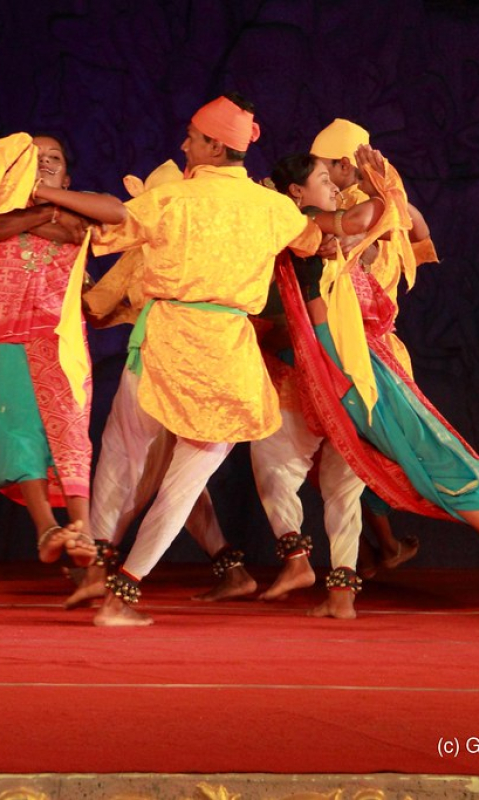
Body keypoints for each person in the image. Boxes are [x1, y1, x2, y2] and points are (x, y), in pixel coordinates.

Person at [88, 93, 322, 626]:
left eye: (193, 136)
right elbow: (314, 240)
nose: (184, 143)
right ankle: (120, 596)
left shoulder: (173, 198)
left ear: (216, 146)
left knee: (123, 457)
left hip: (165, 342)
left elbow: (109, 226)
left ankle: (96, 567)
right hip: (225, 355)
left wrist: (50, 199)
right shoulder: (274, 209)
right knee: (185, 483)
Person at [274, 145, 479, 586]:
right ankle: (340, 575)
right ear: (296, 191)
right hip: (345, 363)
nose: (333, 186)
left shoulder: (322, 227)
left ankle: (348, 577)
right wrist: (381, 189)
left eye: (334, 177)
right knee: (422, 461)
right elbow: (364, 221)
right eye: (324, 180)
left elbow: (401, 228)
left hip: (361, 361)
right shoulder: (303, 224)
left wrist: (383, 192)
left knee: (427, 458)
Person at [0, 134, 125, 570]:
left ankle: (84, 537)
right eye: (32, 160)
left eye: (53, 158)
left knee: (70, 429)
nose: (43, 164)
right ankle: (46, 529)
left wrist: (34, 202)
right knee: (16, 433)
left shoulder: (82, 201)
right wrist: (42, 211)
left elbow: (116, 211)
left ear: (68, 174)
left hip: (58, 334)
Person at [311, 118, 436, 573]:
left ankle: (376, 549)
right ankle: (376, 548)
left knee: (374, 455)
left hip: (364, 352)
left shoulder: (364, 209)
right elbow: (420, 238)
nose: (319, 173)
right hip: (352, 346)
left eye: (325, 167)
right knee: (348, 456)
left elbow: (353, 245)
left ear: (346, 167)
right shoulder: (390, 205)